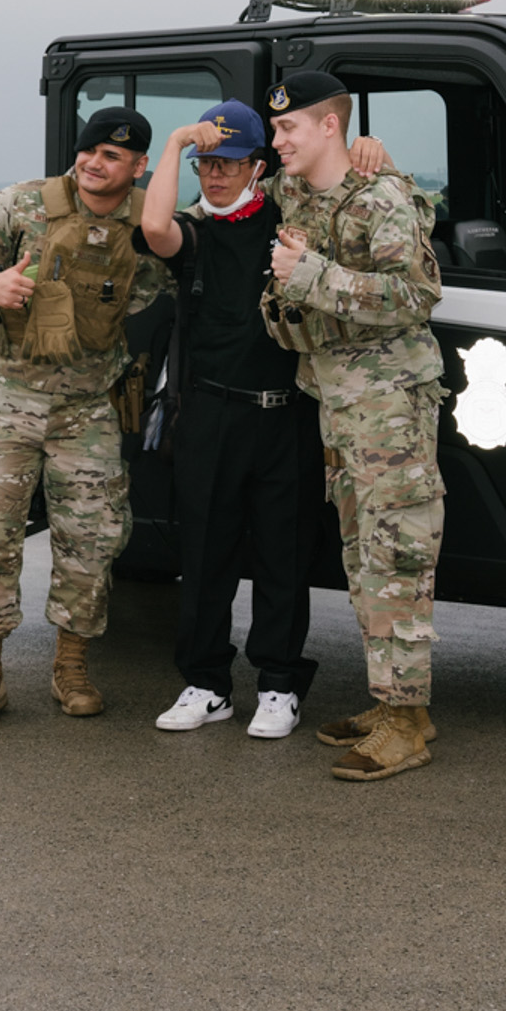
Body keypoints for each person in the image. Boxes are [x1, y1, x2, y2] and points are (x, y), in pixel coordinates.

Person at [0, 109, 169, 732]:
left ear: (139, 166)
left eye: (113, 156)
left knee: (92, 541)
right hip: (9, 400)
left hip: (87, 408)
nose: (95, 163)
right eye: (90, 150)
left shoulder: (149, 221)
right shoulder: (22, 204)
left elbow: (198, 254)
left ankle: (72, 667)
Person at [262, 71, 449, 783]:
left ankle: (406, 722)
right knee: (363, 556)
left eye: (288, 127)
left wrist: (312, 274)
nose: (278, 140)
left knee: (398, 556)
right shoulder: (300, 193)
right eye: (274, 128)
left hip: (391, 406)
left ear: (329, 125)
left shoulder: (381, 198)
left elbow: (417, 293)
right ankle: (397, 704)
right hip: (339, 404)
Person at [137, 103, 326, 742]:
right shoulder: (195, 232)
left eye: (229, 164)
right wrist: (174, 144)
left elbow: (332, 176)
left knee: (283, 555)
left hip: (286, 414)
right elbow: (154, 225)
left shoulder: (287, 222)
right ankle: (206, 683)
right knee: (205, 554)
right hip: (211, 413)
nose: (216, 176)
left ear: (257, 167)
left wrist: (371, 151)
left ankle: (278, 684)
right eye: (206, 164)